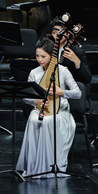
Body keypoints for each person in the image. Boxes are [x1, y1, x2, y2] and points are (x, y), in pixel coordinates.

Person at [16, 38, 79, 177]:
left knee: (48, 121)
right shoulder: (34, 72)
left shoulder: (62, 71)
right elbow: (26, 97)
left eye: (43, 56)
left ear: (52, 56)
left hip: (60, 112)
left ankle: (50, 165)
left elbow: (77, 93)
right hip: (41, 109)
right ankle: (34, 165)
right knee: (34, 119)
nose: (39, 59)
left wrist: (61, 92)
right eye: (37, 56)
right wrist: (37, 102)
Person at [47, 16, 91, 85]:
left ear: (68, 34)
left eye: (60, 33)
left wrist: (76, 60)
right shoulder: (47, 48)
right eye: (54, 33)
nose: (57, 36)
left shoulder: (77, 52)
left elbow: (87, 78)